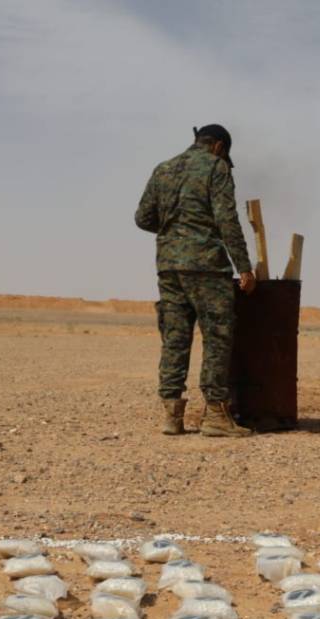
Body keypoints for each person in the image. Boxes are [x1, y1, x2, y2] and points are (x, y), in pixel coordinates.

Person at [135, 124, 256, 438]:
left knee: (174, 338)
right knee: (217, 336)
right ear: (217, 147)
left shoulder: (163, 169)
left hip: (168, 266)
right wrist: (244, 267)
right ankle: (215, 415)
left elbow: (143, 218)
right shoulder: (216, 166)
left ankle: (172, 417)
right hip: (205, 266)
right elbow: (226, 218)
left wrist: (175, 233)